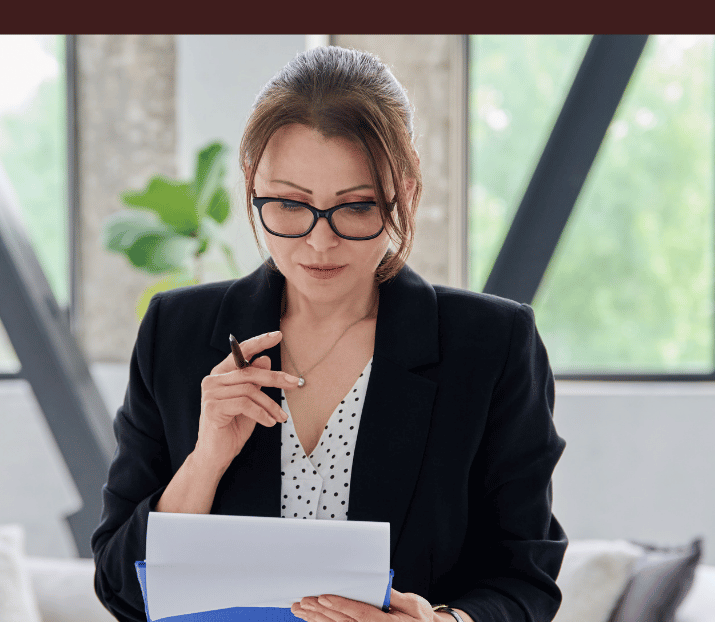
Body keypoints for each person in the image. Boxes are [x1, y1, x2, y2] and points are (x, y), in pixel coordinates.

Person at [92, 45, 567, 622]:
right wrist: (206, 459)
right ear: (251, 184)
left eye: (357, 207)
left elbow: (526, 579)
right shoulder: (177, 332)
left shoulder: (492, 345)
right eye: (289, 204)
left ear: (407, 190)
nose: (319, 243)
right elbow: (120, 589)